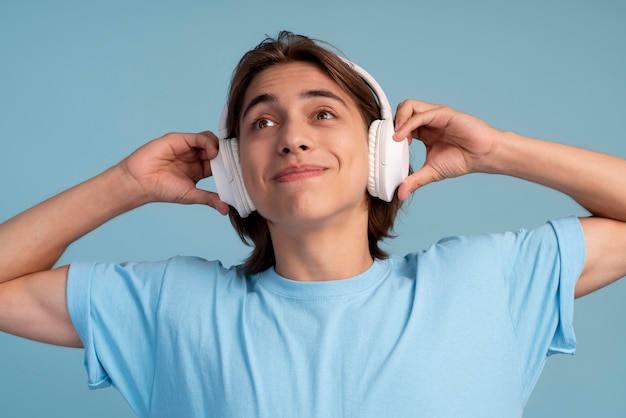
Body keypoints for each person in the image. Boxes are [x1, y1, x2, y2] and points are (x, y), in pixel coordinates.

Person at [0, 31, 625, 417]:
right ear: (237, 173)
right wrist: (125, 185)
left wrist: (499, 150)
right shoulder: (172, 306)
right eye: (262, 123)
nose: (293, 138)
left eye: (323, 114)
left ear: (382, 153)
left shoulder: (487, 279)